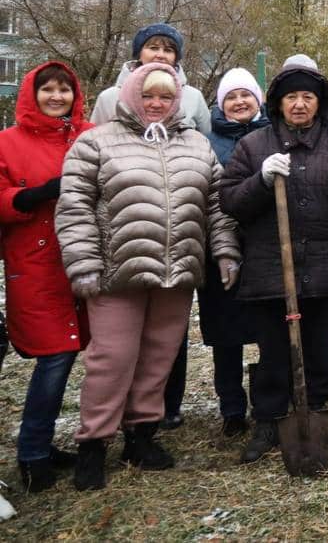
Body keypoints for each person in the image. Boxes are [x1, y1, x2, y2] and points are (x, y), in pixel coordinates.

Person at [58, 63, 239, 491]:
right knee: (112, 359)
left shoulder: (197, 144)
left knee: (159, 356)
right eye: (149, 96)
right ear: (132, 95)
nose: (156, 104)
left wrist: (225, 251)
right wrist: (83, 264)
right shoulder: (96, 143)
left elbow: (216, 206)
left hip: (176, 273)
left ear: (177, 100)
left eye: (165, 97)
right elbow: (75, 208)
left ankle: (141, 436)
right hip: (116, 273)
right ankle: (93, 443)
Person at [221, 63, 328, 464]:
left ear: (319, 104)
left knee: (319, 345)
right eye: (292, 97)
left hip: (322, 266)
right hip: (271, 267)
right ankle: (269, 418)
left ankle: (315, 409)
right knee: (272, 348)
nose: (300, 104)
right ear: (278, 104)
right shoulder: (254, 147)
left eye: (308, 97)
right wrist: (261, 181)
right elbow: (230, 201)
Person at [0, 62, 90, 491]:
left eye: (64, 90)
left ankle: (46, 443)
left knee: (74, 353)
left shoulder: (90, 135)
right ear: (31, 94)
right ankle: (33, 452)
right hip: (37, 265)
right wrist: (30, 196)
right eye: (47, 89)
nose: (56, 97)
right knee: (55, 356)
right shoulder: (7, 142)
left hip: (86, 260)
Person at [198, 68, 270, 438]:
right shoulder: (206, 142)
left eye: (246, 95)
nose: (240, 102)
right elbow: (207, 197)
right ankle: (231, 408)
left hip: (268, 246)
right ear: (220, 103)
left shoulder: (275, 135)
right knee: (226, 335)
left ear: (259, 99)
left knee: (268, 329)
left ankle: (268, 401)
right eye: (231, 97)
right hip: (221, 247)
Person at [90, 23, 212, 134]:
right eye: (153, 48)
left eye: (168, 50)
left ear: (176, 57)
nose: (160, 55)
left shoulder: (193, 97)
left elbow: (207, 140)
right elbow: (94, 141)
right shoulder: (109, 97)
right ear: (139, 53)